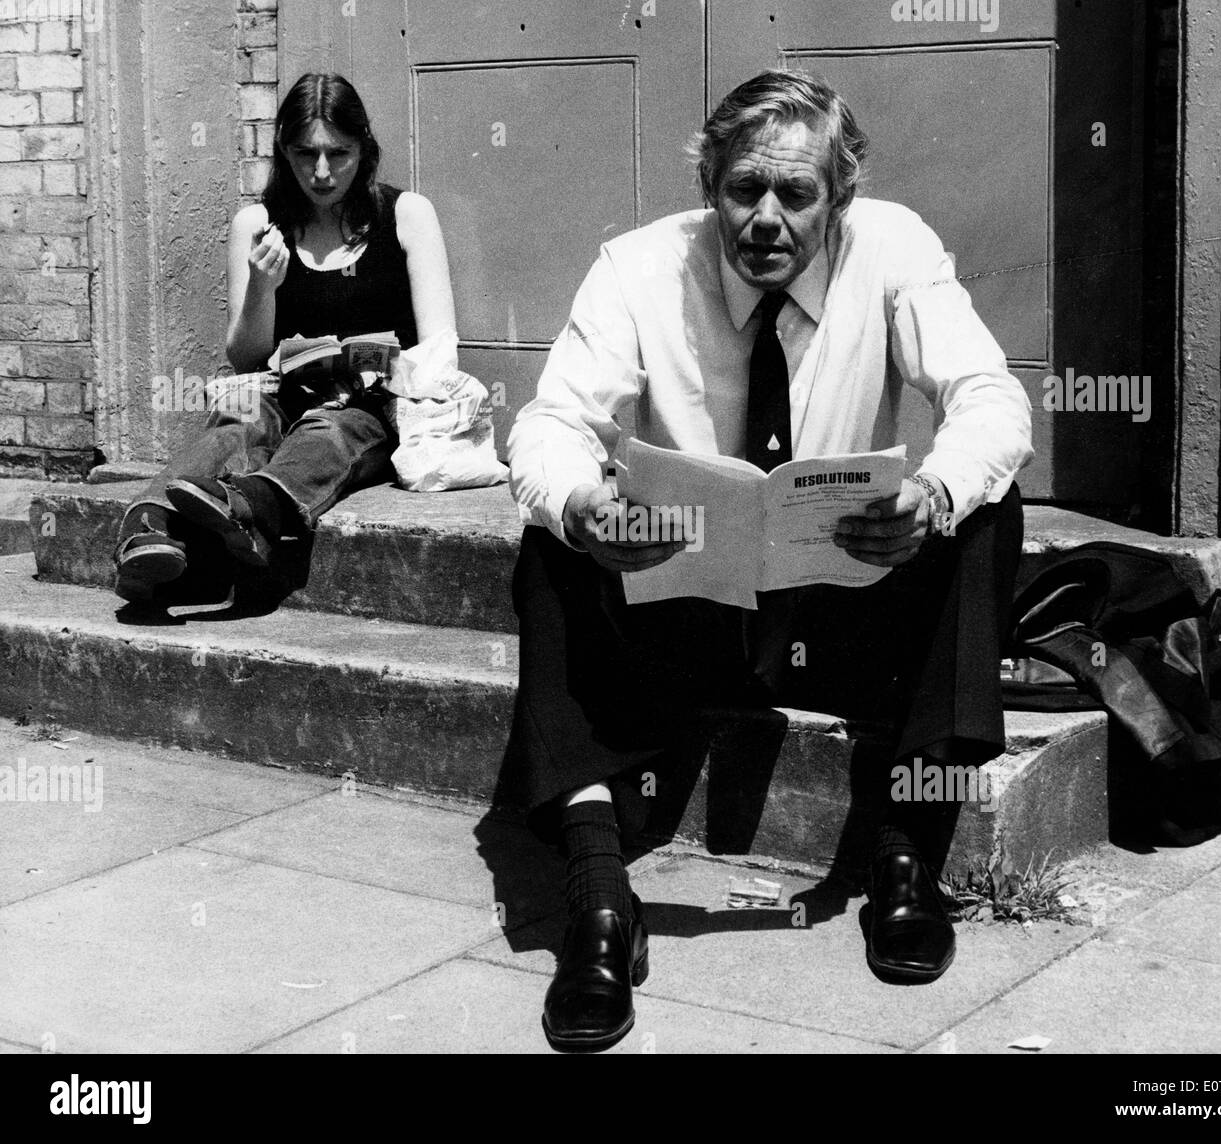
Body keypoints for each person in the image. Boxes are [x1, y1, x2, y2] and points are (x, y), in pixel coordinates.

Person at [504, 69, 1034, 1052]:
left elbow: (990, 398)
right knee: (550, 538)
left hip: (837, 598)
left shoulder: (895, 248)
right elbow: (551, 421)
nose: (766, 217)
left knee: (982, 509)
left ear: (841, 198)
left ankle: (906, 859)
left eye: (796, 194)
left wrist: (929, 494)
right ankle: (598, 902)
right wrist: (584, 505)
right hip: (686, 601)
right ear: (708, 184)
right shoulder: (637, 266)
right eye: (743, 188)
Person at [113, 73, 456, 601]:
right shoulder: (257, 224)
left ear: (363, 149)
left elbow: (440, 351)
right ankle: (150, 527)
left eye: (338, 153)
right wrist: (261, 289)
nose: (321, 173)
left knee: (331, 428)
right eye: (304, 154)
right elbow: (246, 356)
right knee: (240, 419)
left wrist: (368, 372)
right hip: (280, 394)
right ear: (283, 152)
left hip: (370, 409)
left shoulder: (406, 215)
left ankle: (252, 508)